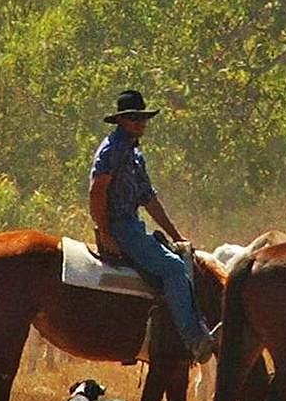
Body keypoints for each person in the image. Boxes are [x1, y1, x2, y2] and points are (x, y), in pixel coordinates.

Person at [88, 89, 220, 363]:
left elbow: (149, 199)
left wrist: (177, 236)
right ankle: (193, 338)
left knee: (180, 258)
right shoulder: (113, 150)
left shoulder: (134, 154)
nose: (141, 123)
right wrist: (105, 232)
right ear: (122, 121)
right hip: (121, 227)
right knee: (172, 268)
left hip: (133, 226)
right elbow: (97, 191)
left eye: (143, 118)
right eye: (135, 118)